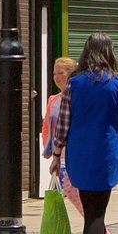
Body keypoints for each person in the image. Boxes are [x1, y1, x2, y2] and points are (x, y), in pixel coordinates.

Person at [48, 34, 118, 234]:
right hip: (107, 151)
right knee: (97, 209)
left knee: (92, 206)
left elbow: (63, 123)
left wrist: (57, 154)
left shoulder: (73, 84)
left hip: (79, 151)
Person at [42, 55, 81, 217]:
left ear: (71, 74)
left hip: (75, 152)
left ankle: (98, 228)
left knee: (71, 190)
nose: (57, 77)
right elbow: (47, 126)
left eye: (61, 73)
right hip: (59, 153)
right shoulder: (53, 99)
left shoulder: (77, 98)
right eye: (54, 74)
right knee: (62, 191)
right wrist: (48, 149)